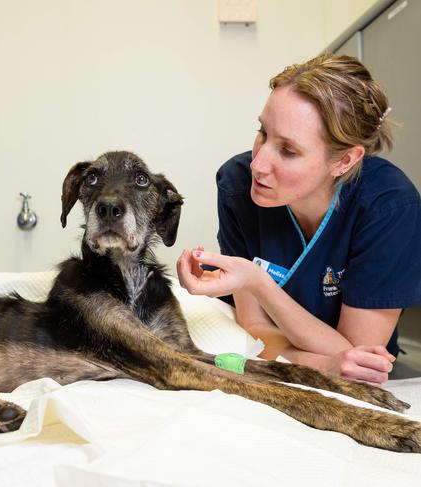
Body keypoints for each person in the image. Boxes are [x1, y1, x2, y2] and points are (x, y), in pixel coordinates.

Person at [177, 54, 421, 387]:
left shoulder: (389, 208)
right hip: (283, 370)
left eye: (288, 151)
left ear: (345, 160)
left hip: (366, 384)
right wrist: (324, 365)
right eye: (263, 133)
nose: (258, 165)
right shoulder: (237, 186)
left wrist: (258, 283)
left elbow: (359, 363)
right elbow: (257, 331)